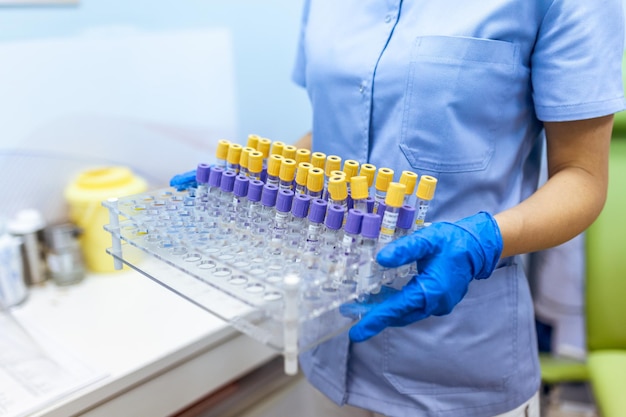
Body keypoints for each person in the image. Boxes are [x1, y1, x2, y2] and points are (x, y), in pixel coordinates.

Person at [291, 1, 625, 416]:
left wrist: (481, 242)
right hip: (325, 345)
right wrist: (254, 174)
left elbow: (582, 177)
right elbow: (328, 132)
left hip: (456, 370)